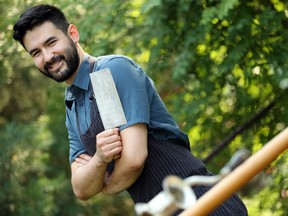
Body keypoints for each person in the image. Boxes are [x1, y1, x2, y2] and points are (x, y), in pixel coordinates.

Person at [13, 4, 248, 215]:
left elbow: (134, 159)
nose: (47, 57)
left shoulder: (110, 71)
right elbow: (81, 188)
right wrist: (100, 159)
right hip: (163, 211)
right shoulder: (72, 104)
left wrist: (105, 186)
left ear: (73, 34)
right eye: (36, 53)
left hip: (201, 200)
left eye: (51, 43)